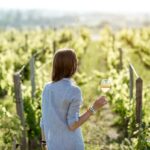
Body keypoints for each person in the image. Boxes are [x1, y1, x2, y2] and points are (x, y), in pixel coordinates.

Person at [40, 48, 107, 150]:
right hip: (72, 145)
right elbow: (73, 125)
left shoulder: (46, 88)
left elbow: (43, 121)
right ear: (73, 66)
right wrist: (94, 108)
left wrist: (44, 142)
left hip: (53, 146)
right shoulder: (74, 91)